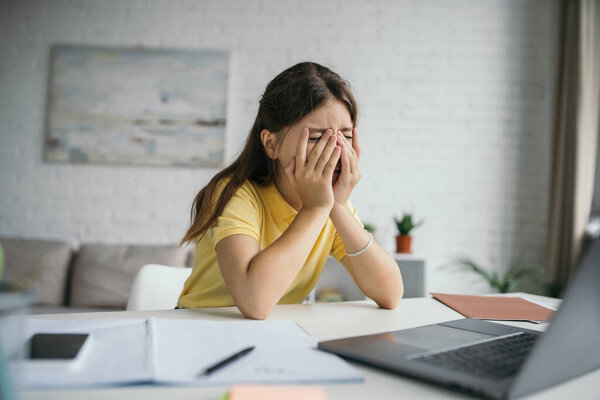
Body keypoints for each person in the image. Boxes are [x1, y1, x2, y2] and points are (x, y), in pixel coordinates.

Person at [178, 62, 403, 319]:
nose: (335, 151)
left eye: (346, 136)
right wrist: (316, 208)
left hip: (275, 333)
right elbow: (254, 302)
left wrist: (338, 207)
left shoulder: (331, 202)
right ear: (271, 144)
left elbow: (391, 293)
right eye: (317, 138)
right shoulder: (235, 195)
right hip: (199, 327)